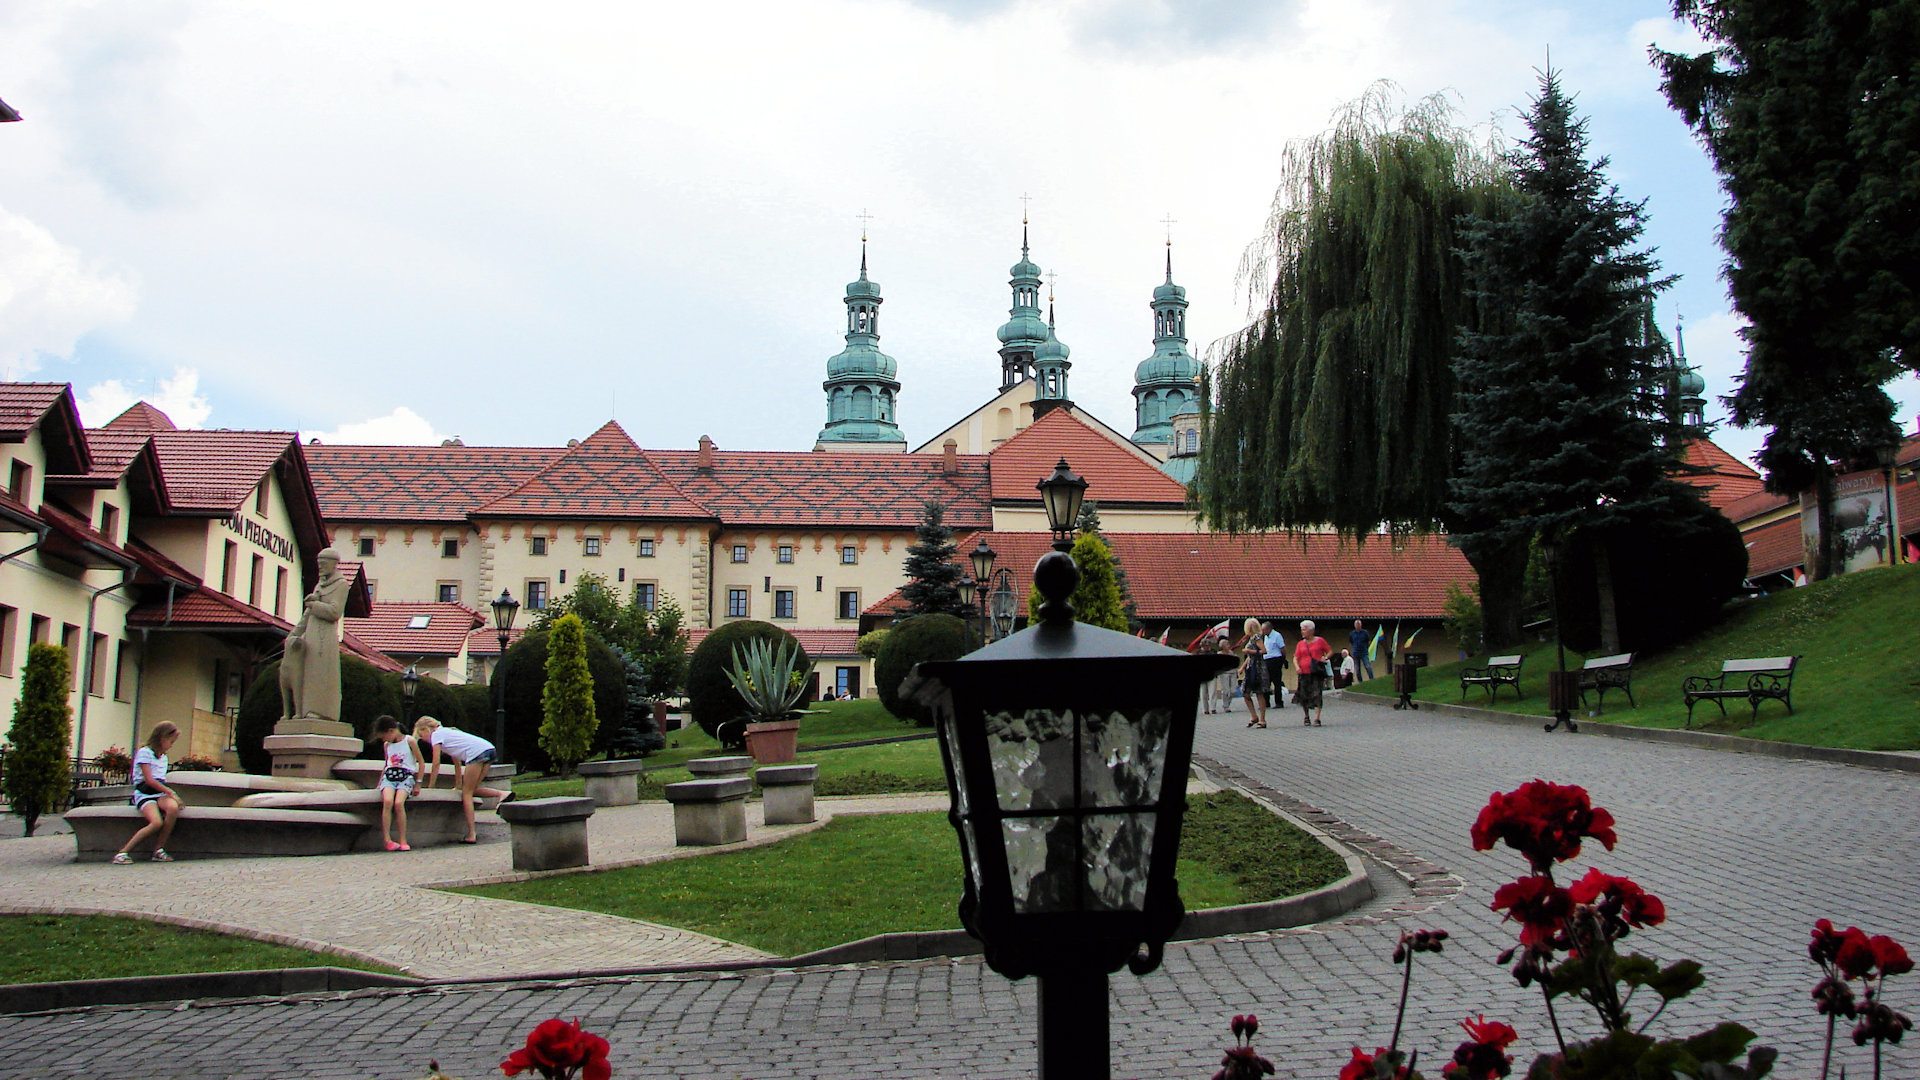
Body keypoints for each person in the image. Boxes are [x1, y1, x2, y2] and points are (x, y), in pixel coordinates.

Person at [415, 716, 512, 844]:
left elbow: (436, 763)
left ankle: (471, 833)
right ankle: (502, 794)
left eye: (421, 736)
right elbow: (457, 763)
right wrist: (458, 785)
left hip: (476, 753)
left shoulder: (436, 735)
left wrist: (431, 787)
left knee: (466, 794)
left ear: (425, 729)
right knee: (472, 789)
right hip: (488, 749)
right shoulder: (448, 733)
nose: (424, 740)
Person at [114, 722, 181, 864]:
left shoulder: (163, 757)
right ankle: (123, 852)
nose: (171, 745)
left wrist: (170, 796)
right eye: (170, 742)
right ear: (162, 738)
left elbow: (160, 780)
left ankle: (159, 849)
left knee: (173, 808)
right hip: (145, 793)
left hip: (158, 793)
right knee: (156, 822)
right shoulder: (145, 753)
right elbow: (149, 780)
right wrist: (171, 792)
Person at [371, 716, 421, 851]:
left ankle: (403, 840)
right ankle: (387, 840)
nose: (384, 740)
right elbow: (386, 764)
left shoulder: (409, 741)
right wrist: (380, 783)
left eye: (384, 736)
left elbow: (420, 762)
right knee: (387, 802)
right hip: (390, 775)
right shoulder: (387, 745)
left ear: (391, 731)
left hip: (405, 776)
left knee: (399, 803)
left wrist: (418, 783)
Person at [1295, 619, 1333, 726]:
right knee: (1304, 695)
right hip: (1304, 672)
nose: (1302, 632)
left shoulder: (1320, 641)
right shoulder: (1300, 644)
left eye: (1304, 630)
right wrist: (1297, 667)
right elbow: (1296, 657)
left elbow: (1330, 651)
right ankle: (1306, 716)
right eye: (1302, 630)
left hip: (1316, 671)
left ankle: (1317, 718)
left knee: (1317, 693)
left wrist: (1325, 658)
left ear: (1311, 631)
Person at [1238, 617, 1268, 729]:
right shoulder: (1251, 638)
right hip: (1251, 666)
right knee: (1245, 692)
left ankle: (1262, 719)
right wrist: (1242, 667)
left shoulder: (1256, 637)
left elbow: (1264, 651)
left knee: (1259, 692)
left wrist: (1249, 651)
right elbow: (1250, 657)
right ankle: (1254, 716)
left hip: (1258, 668)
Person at [1261, 621, 1288, 709]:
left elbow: (1283, 648)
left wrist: (1283, 659)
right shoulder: (1265, 637)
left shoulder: (1277, 635)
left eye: (1264, 629)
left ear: (1269, 629)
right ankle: (1266, 702)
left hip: (1275, 659)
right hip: (1266, 660)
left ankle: (1279, 702)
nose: (1262, 631)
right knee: (1266, 682)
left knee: (1277, 682)